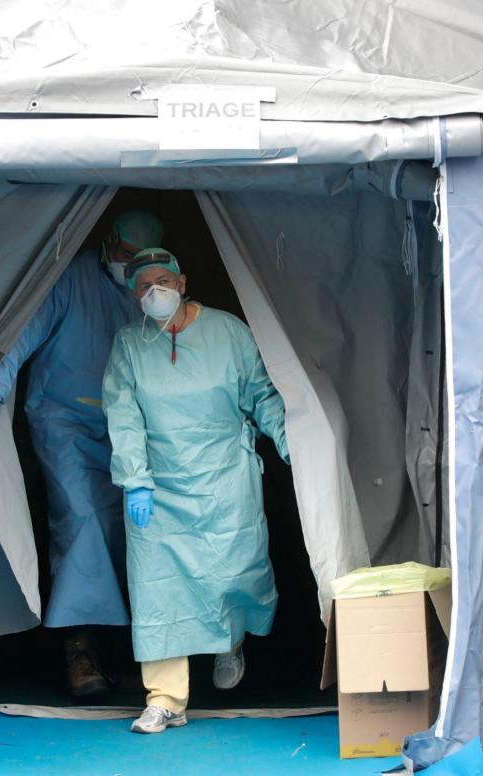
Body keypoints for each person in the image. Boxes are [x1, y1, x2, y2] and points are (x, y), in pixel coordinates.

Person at [0, 210, 164, 698]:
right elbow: (20, 337)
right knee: (83, 521)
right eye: (126, 256)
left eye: (141, 261)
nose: (131, 267)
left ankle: (129, 654)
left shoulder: (149, 291)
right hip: (64, 422)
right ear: (109, 241)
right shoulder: (69, 279)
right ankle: (80, 652)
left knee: (134, 535)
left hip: (129, 429)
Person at [102, 248, 290, 734]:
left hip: (224, 476)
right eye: (143, 286)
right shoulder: (129, 345)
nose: (153, 292)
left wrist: (292, 439)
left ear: (182, 283)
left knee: (229, 570)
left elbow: (260, 392)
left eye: (161, 281)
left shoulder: (229, 332)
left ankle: (228, 643)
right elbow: (123, 416)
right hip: (158, 486)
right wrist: (135, 480)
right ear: (133, 295)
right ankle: (165, 698)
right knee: (158, 588)